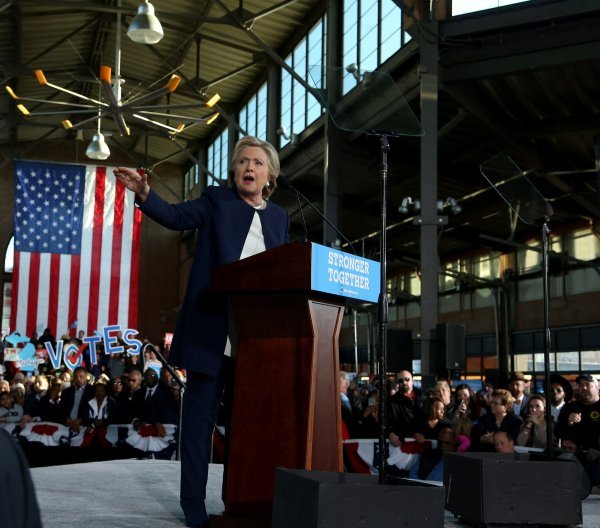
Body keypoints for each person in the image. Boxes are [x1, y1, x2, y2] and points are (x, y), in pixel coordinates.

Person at [113, 136, 289, 528]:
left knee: (246, 428)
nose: (248, 166)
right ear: (234, 171)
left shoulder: (279, 218)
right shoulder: (216, 201)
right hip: (211, 332)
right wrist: (145, 193)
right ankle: (193, 506)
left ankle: (239, 499)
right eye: (242, 160)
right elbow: (175, 217)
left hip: (256, 341)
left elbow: (284, 270)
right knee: (197, 424)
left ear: (270, 175)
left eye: (257, 162)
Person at [388, 370, 423, 446]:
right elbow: (389, 422)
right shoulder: (392, 401)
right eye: (400, 380)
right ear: (398, 383)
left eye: (407, 379)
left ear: (412, 381)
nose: (404, 382)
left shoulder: (422, 396)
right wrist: (390, 434)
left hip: (423, 440)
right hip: (403, 443)